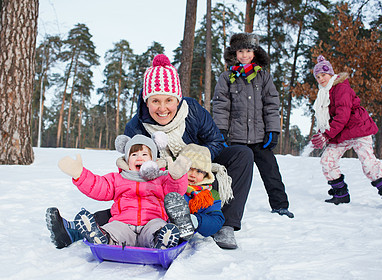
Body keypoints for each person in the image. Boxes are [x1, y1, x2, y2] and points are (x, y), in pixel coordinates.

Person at [47, 54, 254, 250]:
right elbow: (127, 178)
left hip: (196, 173)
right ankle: (75, 229)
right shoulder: (136, 127)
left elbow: (216, 141)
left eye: (169, 100)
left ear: (178, 99)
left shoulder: (193, 111)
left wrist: (190, 162)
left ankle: (226, 225)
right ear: (147, 101)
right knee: (132, 201)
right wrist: (162, 169)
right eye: (155, 101)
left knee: (242, 154)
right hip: (160, 182)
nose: (162, 108)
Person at [49, 133, 193, 249]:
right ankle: (103, 238)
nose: (139, 158)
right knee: (114, 229)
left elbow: (175, 191)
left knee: (158, 228)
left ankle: (162, 239)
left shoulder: (161, 179)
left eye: (144, 155)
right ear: (127, 159)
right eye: (134, 155)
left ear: (153, 160)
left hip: (151, 222)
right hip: (123, 223)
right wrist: (80, 175)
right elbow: (98, 186)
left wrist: (176, 176)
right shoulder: (117, 179)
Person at [212, 32, 294, 220]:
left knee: (271, 172)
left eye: (248, 50)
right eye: (240, 51)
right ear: (234, 53)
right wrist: (221, 130)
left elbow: (272, 105)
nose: (244, 55)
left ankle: (280, 205)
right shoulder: (227, 77)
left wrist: (273, 130)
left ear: (255, 52)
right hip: (236, 139)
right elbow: (221, 105)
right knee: (228, 176)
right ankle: (221, 206)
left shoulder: (263, 77)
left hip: (259, 138)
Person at [310, 55, 382, 210]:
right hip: (341, 133)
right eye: (317, 77)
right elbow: (327, 118)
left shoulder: (341, 88)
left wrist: (327, 135)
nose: (321, 79)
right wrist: (321, 134)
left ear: (331, 74)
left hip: (358, 129)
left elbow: (342, 116)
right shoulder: (324, 94)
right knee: (327, 160)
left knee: (368, 163)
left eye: (323, 75)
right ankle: (341, 194)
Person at [178, 143, 225, 237]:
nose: (193, 175)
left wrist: (197, 220)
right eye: (189, 169)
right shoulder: (170, 185)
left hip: (193, 223)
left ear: (206, 175)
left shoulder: (209, 195)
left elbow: (216, 220)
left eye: (199, 171)